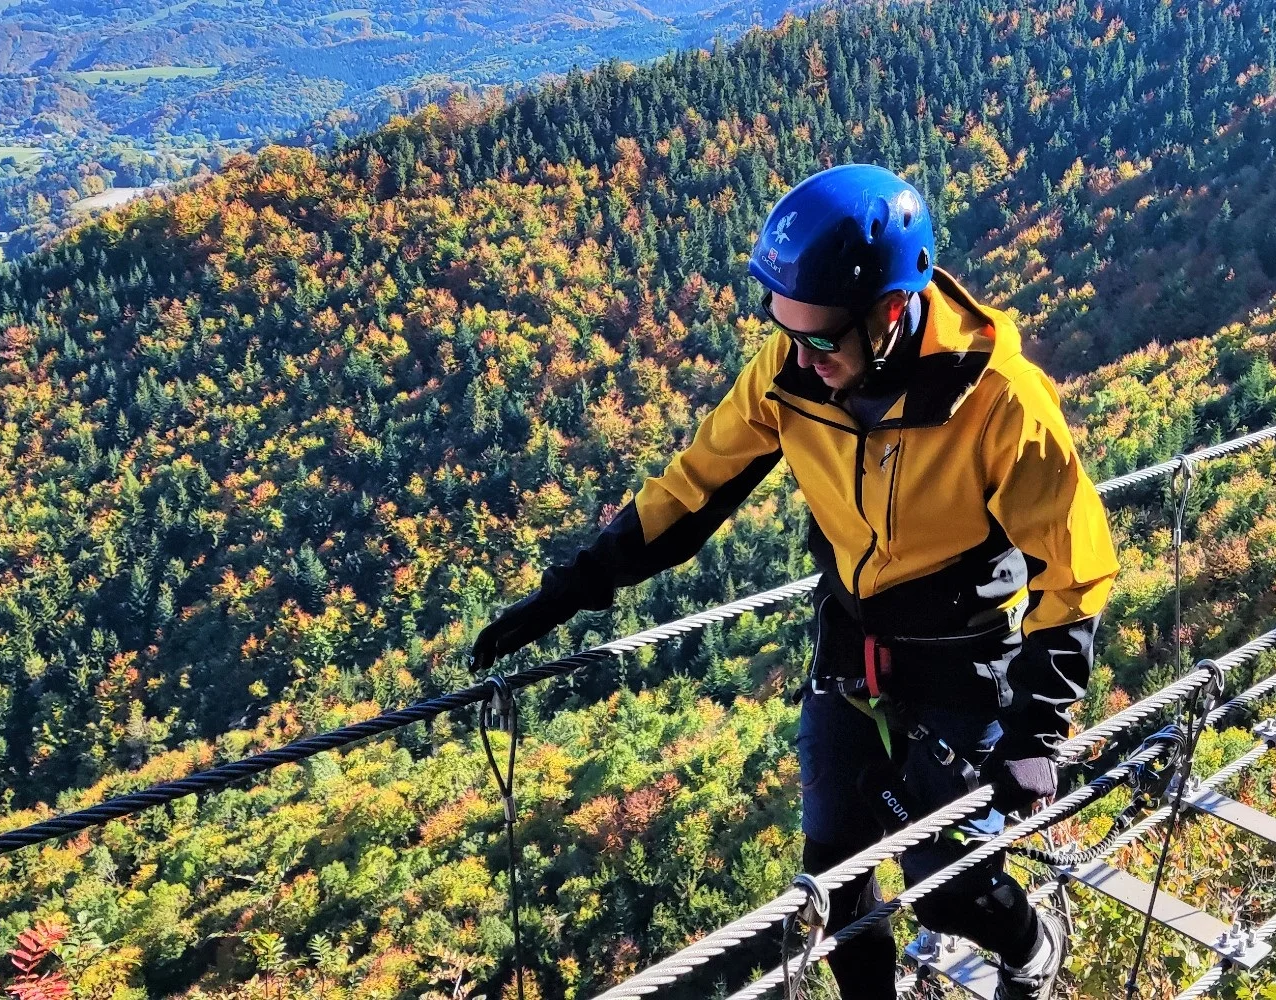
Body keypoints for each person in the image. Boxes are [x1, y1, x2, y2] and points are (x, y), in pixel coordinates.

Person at [472, 163, 1118, 998]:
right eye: (785, 330)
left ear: (888, 315)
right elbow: (694, 487)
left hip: (963, 659)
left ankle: (1032, 947)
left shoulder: (995, 401)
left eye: (819, 340)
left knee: (945, 880)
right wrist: (571, 588)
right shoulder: (789, 370)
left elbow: (1073, 564)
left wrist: (1038, 728)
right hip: (853, 646)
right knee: (839, 875)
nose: (800, 357)